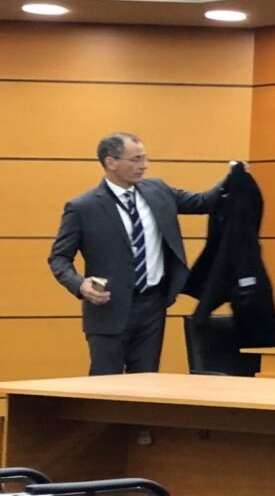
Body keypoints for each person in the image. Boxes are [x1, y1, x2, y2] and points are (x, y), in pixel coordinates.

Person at [48, 133, 233, 375]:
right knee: (105, 384)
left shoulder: (158, 190)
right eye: (136, 159)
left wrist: (232, 178)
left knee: (145, 380)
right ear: (111, 162)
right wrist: (80, 284)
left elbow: (202, 202)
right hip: (108, 308)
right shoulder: (83, 207)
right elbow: (59, 258)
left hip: (153, 305)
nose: (144, 165)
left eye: (144, 158)